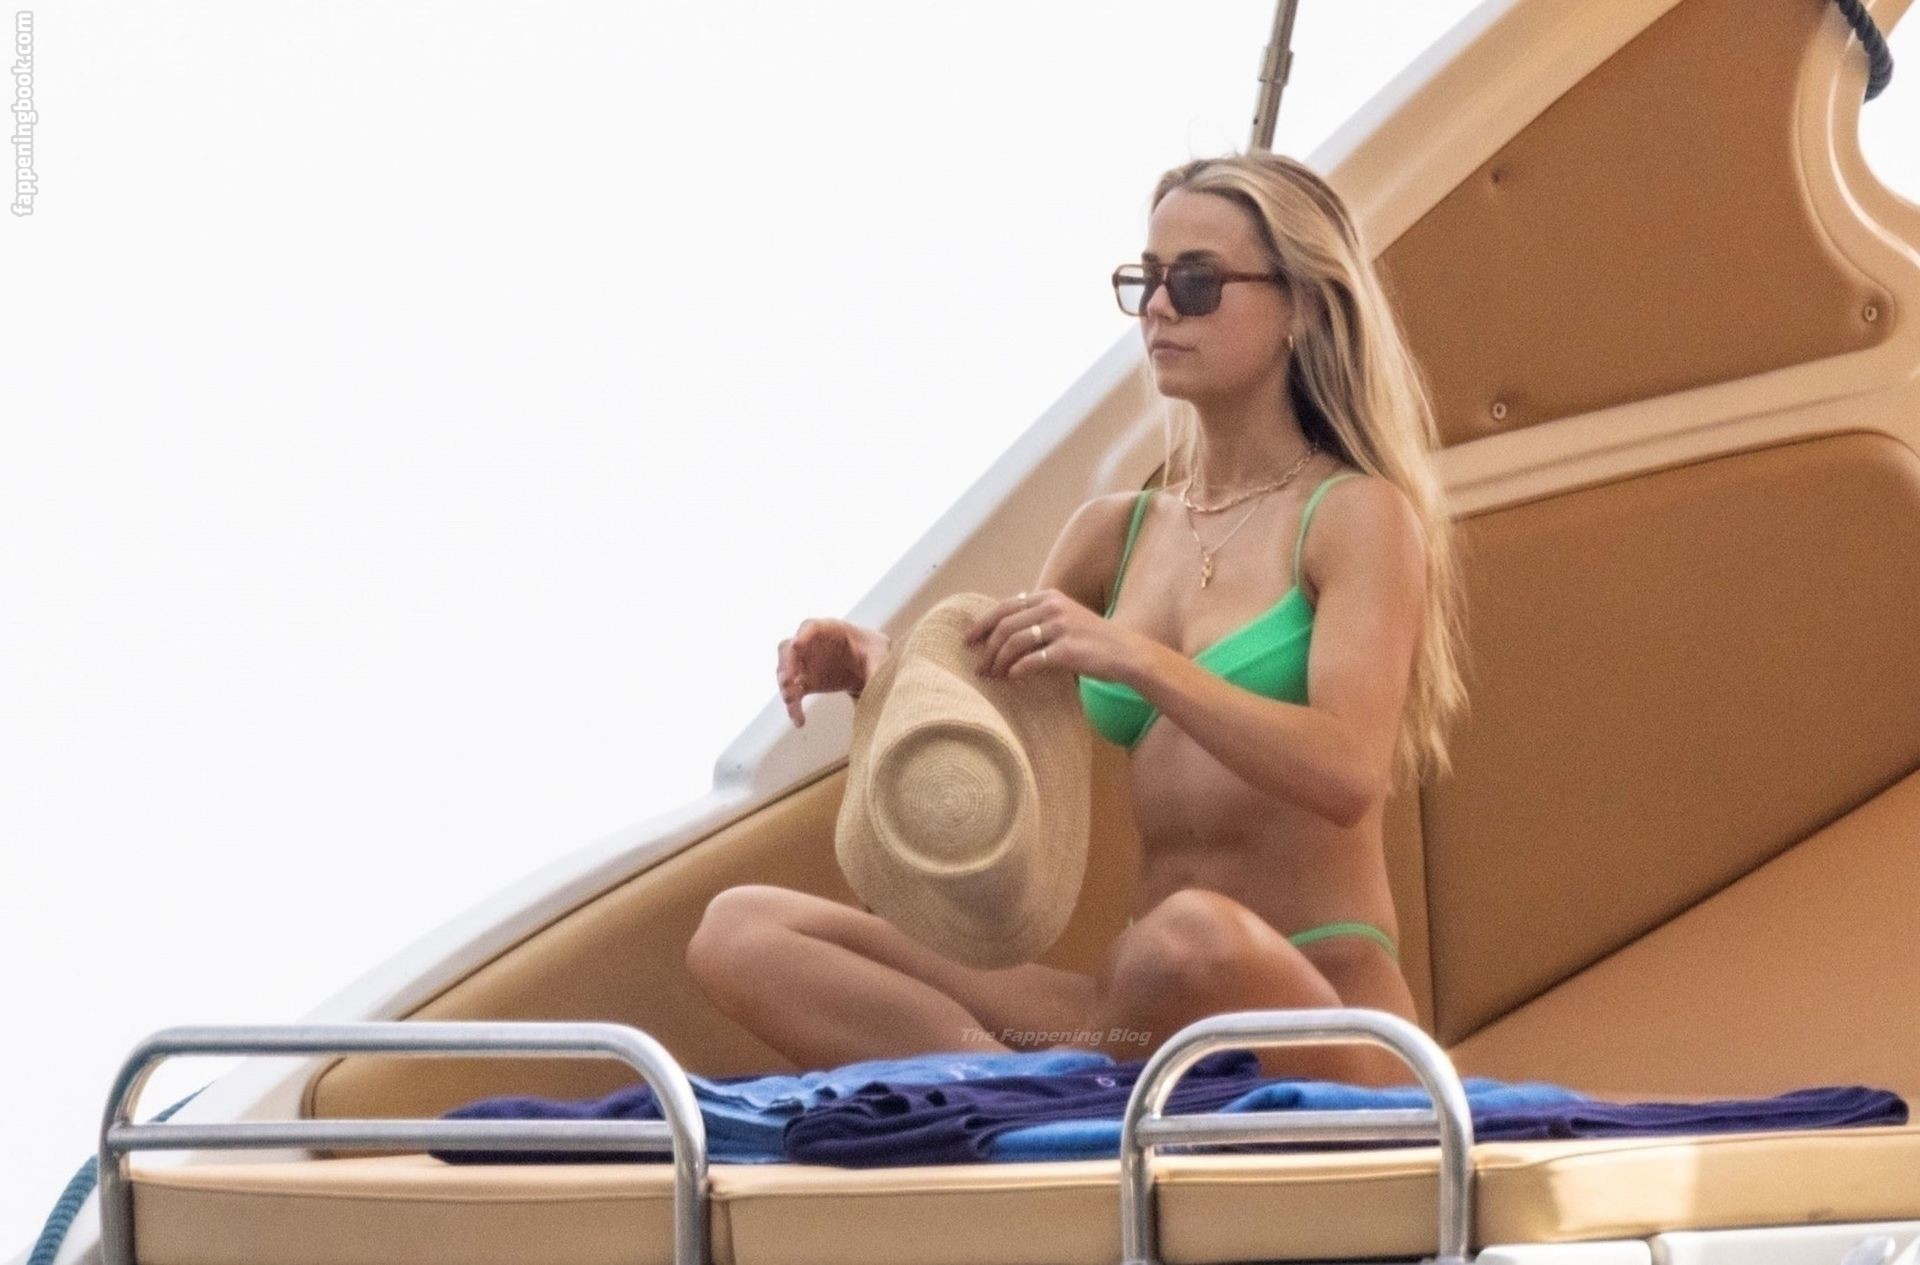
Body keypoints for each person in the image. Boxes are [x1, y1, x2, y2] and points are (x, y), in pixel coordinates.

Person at [686, 151, 1470, 1088]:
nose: (1160, 308)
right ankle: (1014, 1095)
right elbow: (994, 727)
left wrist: (1138, 659)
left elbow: (1347, 771)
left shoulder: (1356, 514)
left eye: (1196, 282)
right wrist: (877, 669)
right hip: (1135, 1014)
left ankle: (1041, 1088)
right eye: (1147, 280)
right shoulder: (1114, 532)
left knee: (1185, 939)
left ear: (1300, 304)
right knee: (740, 928)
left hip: (1315, 1010)